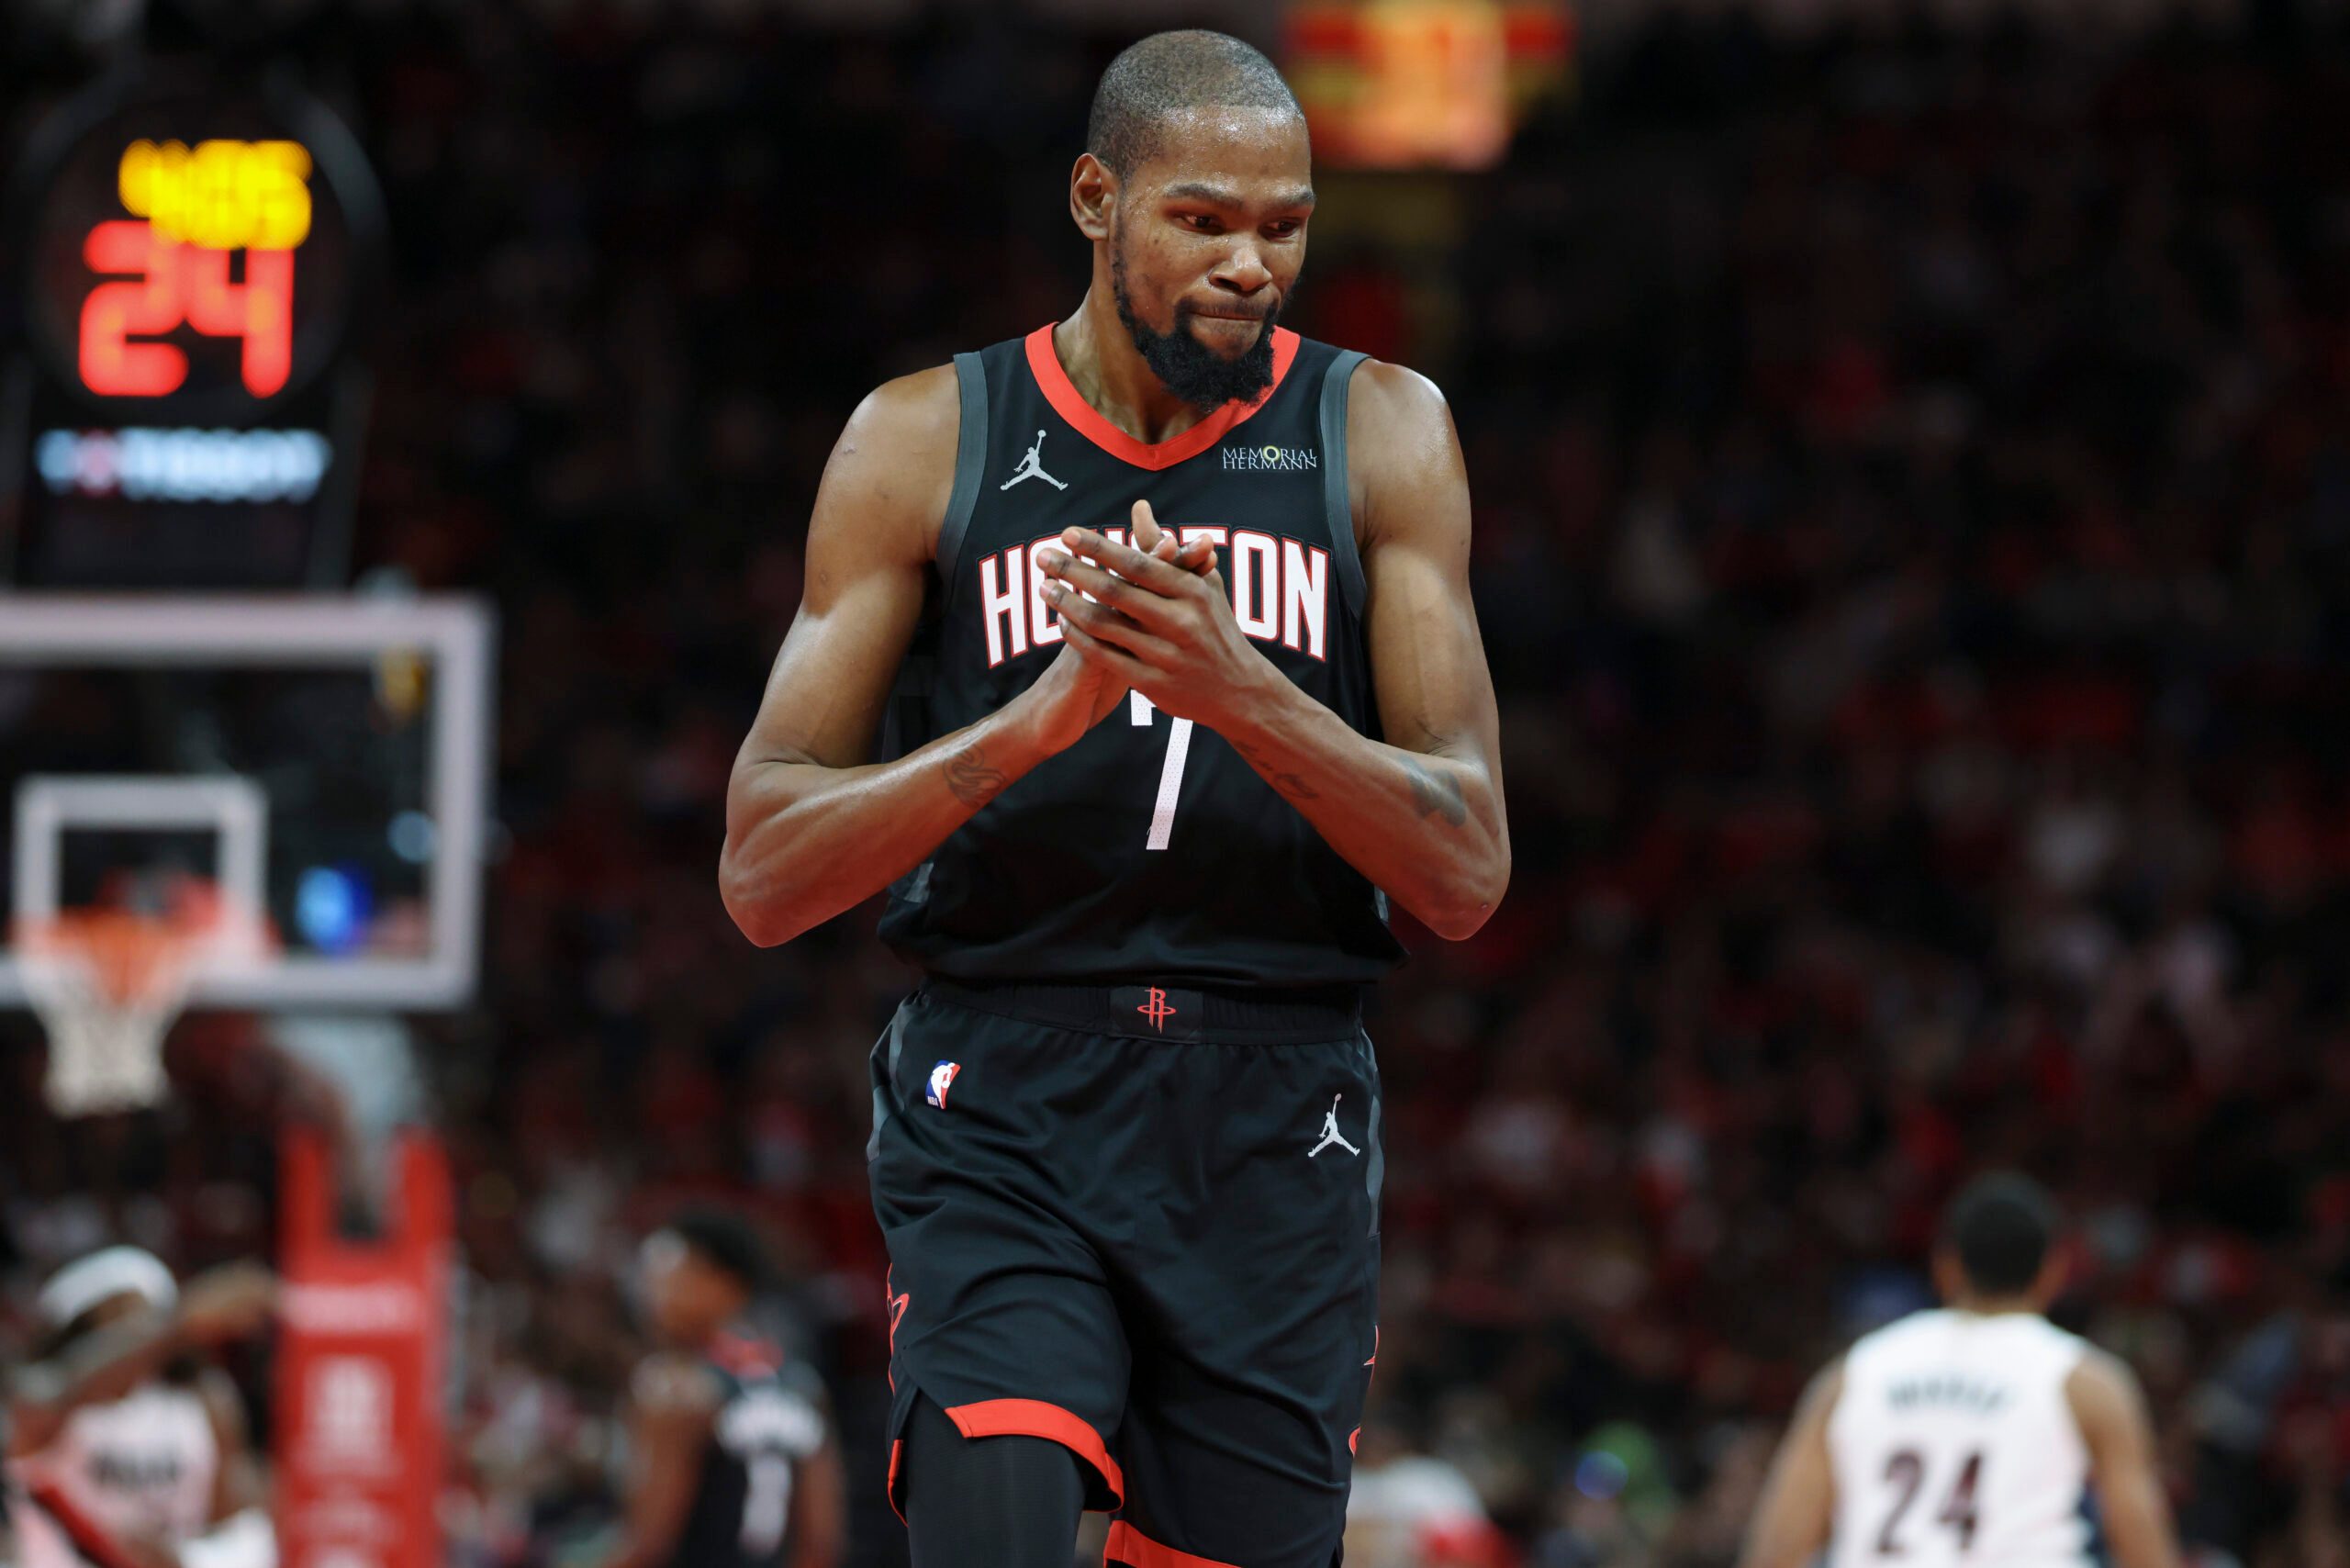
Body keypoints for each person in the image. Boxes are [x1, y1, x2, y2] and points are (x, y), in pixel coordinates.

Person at [719, 27, 1507, 1568]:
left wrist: (1246, 692)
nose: (1250, 264)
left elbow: (1466, 867)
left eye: (1283, 226)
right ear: (1097, 198)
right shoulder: (924, 437)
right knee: (996, 1521)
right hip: (1007, 1080)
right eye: (1202, 219)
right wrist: (1030, 726)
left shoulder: (1384, 429)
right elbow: (762, 869)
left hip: (1277, 1101)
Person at [1738, 1173, 2182, 1568]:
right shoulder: (2085, 1381)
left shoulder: (1854, 1374)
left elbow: (1778, 1550)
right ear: (2054, 1270)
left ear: (1946, 1266)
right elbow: (2144, 1550)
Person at [587, 1212, 843, 1568]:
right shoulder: (803, 1384)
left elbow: (649, 1544)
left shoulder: (674, 1389)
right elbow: (821, 1541)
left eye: (669, 1276)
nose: (650, 1294)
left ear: (726, 1284)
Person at [4, 1249, 277, 1568]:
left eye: (145, 1317)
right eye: (117, 1324)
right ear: (75, 1331)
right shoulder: (40, 1399)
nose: (137, 1334)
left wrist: (191, 1559)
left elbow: (237, 1528)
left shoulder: (204, 1401)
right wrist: (181, 1323)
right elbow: (54, 1397)